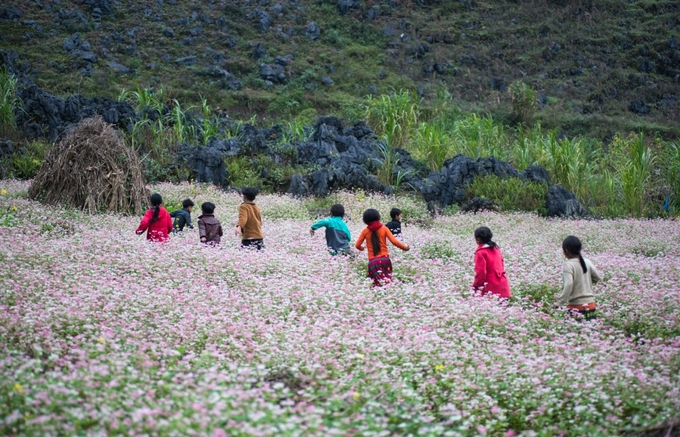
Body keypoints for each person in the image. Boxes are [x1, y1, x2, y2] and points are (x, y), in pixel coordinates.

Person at [355, 208, 410, 287]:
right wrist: (405, 248)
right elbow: (394, 241)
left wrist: (362, 248)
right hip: (385, 260)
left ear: (365, 220)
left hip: (373, 262)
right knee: (387, 283)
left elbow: (357, 245)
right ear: (378, 217)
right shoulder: (384, 228)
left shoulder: (365, 231)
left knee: (376, 285)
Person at [557, 235, 602, 321]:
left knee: (574, 332)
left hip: (576, 307)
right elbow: (598, 279)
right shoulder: (587, 261)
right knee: (590, 332)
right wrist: (586, 283)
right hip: (591, 305)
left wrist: (560, 302)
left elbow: (569, 284)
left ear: (566, 251)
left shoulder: (568, 264)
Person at [472, 226, 511, 298]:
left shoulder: (481, 252)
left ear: (478, 239)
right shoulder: (496, 249)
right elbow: (501, 265)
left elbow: (481, 273)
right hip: (503, 285)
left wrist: (475, 286)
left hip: (490, 288)